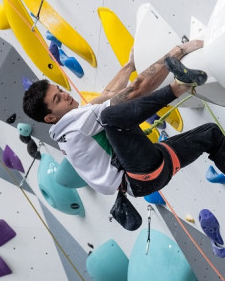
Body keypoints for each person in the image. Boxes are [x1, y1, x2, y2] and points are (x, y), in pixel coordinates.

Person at [22, 40, 225, 197]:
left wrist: (129, 65)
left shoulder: (67, 132)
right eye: (58, 99)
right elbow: (136, 90)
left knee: (211, 135)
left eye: (60, 90)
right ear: (50, 117)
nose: (65, 94)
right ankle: (180, 85)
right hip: (140, 173)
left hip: (148, 172)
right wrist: (179, 50)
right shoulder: (76, 127)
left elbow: (107, 95)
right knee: (110, 116)